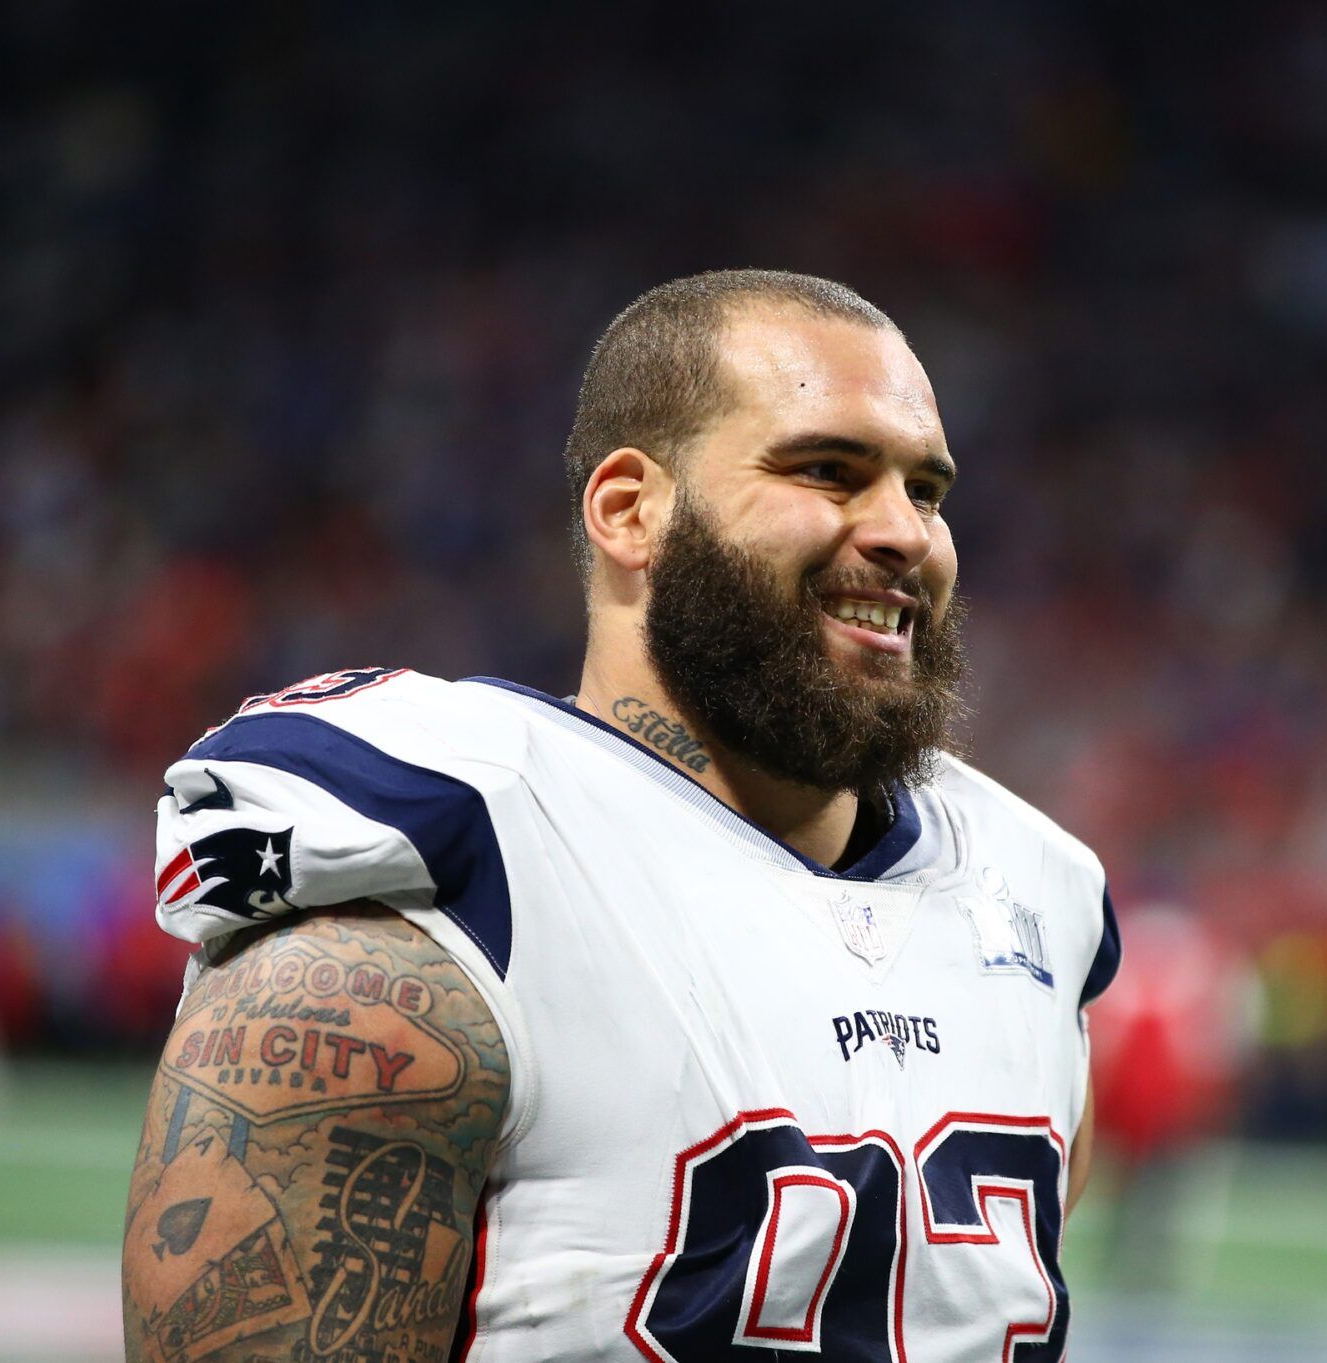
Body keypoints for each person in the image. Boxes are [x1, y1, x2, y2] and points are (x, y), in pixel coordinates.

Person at [122, 269, 1121, 1363]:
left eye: (927, 492)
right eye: (828, 470)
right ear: (631, 510)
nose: (904, 534)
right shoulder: (444, 879)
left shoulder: (1033, 896)